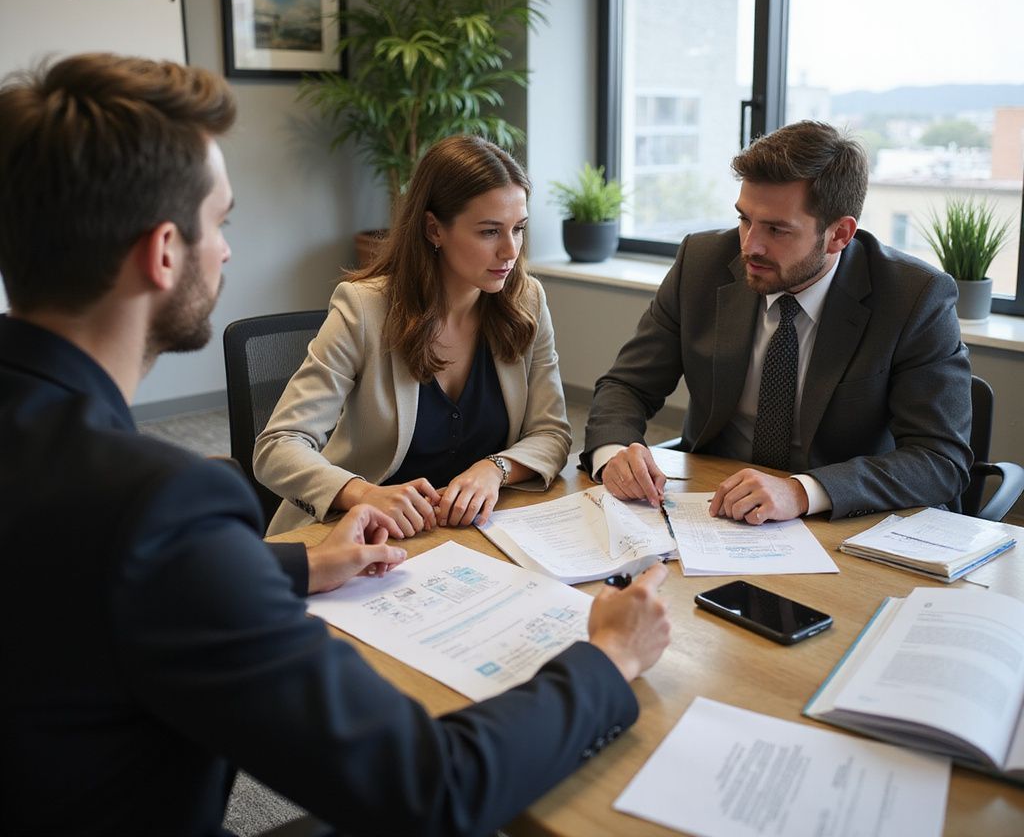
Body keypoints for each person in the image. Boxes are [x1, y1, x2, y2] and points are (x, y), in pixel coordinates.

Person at [0, 53, 670, 837]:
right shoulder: (162, 507)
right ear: (163, 253)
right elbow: (429, 790)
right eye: (222, 223)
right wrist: (609, 660)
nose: (227, 251)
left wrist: (294, 563)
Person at [582, 120, 972, 523]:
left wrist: (801, 492)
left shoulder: (914, 297)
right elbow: (627, 385)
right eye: (744, 219)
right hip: (712, 507)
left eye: (777, 230)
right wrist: (613, 453)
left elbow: (939, 459)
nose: (750, 246)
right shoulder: (701, 263)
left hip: (839, 519)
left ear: (839, 234)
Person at [255, 135, 572, 538]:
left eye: (519, 229)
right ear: (433, 229)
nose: (510, 251)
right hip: (361, 534)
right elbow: (278, 445)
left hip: (469, 533)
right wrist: (362, 493)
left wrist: (495, 469)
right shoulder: (364, 309)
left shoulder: (526, 300)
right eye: (490, 232)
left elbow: (552, 433)